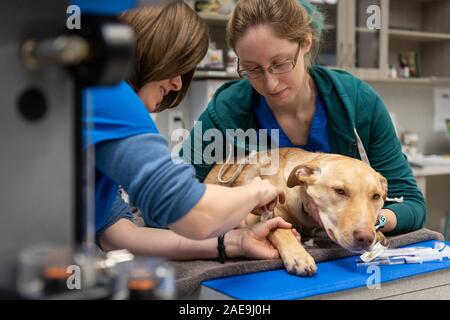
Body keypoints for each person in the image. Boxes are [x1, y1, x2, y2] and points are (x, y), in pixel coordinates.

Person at [180, 0, 426, 236]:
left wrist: (368, 221)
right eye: (252, 69)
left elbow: (412, 203)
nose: (270, 83)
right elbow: (166, 197)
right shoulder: (228, 111)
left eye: (281, 63)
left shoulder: (358, 103)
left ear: (306, 42)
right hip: (260, 257)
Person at [87, 1, 294, 260]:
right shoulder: (108, 95)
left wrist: (234, 243)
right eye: (176, 66)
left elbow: (115, 235)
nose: (176, 83)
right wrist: (256, 191)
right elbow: (195, 214)